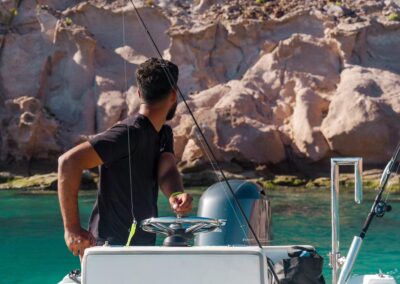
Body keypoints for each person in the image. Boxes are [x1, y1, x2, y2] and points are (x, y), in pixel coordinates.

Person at [57, 58, 193, 258]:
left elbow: (167, 168)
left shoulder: (163, 133)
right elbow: (69, 162)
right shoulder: (128, 133)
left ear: (139, 94)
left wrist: (175, 195)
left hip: (141, 247)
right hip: (108, 249)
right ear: (173, 95)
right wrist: (72, 229)